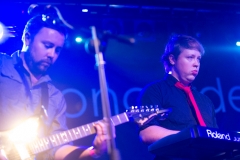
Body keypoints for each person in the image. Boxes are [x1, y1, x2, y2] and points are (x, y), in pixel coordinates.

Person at [0, 11, 111, 160]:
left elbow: (56, 149)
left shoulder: (54, 96)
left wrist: (94, 151)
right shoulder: (2, 65)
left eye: (57, 50)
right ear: (27, 39)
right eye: (47, 46)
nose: (52, 54)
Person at [137, 35, 218, 159]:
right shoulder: (155, 91)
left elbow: (215, 138)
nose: (196, 64)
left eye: (198, 59)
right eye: (190, 57)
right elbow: (147, 133)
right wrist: (191, 136)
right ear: (172, 59)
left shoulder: (205, 101)